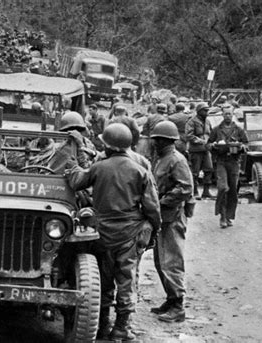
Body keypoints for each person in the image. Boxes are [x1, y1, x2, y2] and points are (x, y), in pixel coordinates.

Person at [65, 123, 161, 340]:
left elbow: (77, 181)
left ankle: (101, 326)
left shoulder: (99, 167)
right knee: (127, 280)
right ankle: (122, 328)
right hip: (130, 233)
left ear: (107, 146)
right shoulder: (140, 170)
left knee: (104, 280)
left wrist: (72, 166)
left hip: (103, 234)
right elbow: (153, 208)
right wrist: (154, 230)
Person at [149, 121, 193, 323]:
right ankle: (171, 298)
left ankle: (178, 305)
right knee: (161, 261)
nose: (154, 143)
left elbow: (185, 189)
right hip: (163, 217)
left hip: (172, 216)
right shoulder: (161, 159)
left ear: (165, 141)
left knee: (171, 262)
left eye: (157, 140)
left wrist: (161, 202)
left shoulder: (176, 160)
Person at [208, 107, 248, 228]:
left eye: (229, 114)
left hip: (234, 162)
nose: (227, 116)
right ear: (222, 115)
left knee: (233, 191)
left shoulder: (239, 129)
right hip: (221, 161)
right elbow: (208, 144)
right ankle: (222, 216)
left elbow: (246, 144)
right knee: (222, 188)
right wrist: (214, 145)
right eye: (225, 114)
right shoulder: (216, 130)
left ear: (232, 115)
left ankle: (229, 217)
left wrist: (241, 147)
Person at [185, 102, 214, 199]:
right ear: (199, 111)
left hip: (206, 150)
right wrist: (201, 141)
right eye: (205, 110)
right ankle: (195, 191)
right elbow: (189, 135)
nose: (207, 112)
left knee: (209, 169)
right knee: (195, 172)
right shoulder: (191, 121)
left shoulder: (208, 121)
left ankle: (206, 192)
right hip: (195, 150)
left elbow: (211, 133)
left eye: (207, 110)